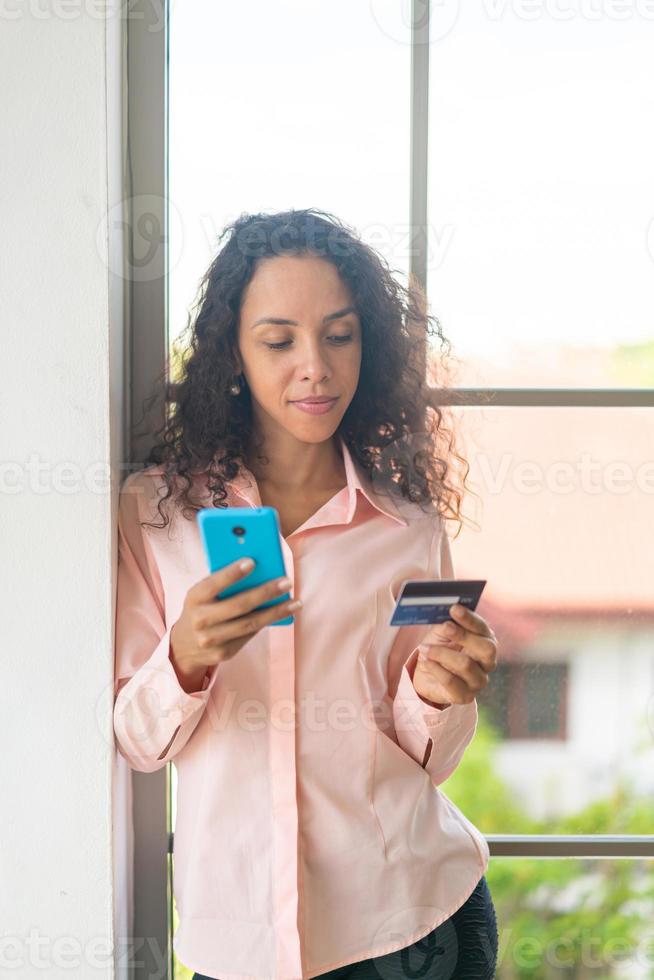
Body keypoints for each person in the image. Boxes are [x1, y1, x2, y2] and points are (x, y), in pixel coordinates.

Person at [113, 208, 499, 980]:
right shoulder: (157, 516)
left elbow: (429, 758)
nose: (315, 367)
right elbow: (136, 740)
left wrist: (438, 692)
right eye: (279, 339)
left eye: (340, 335)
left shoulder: (405, 524)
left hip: (411, 923)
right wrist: (185, 658)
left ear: (369, 345)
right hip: (240, 937)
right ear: (233, 353)